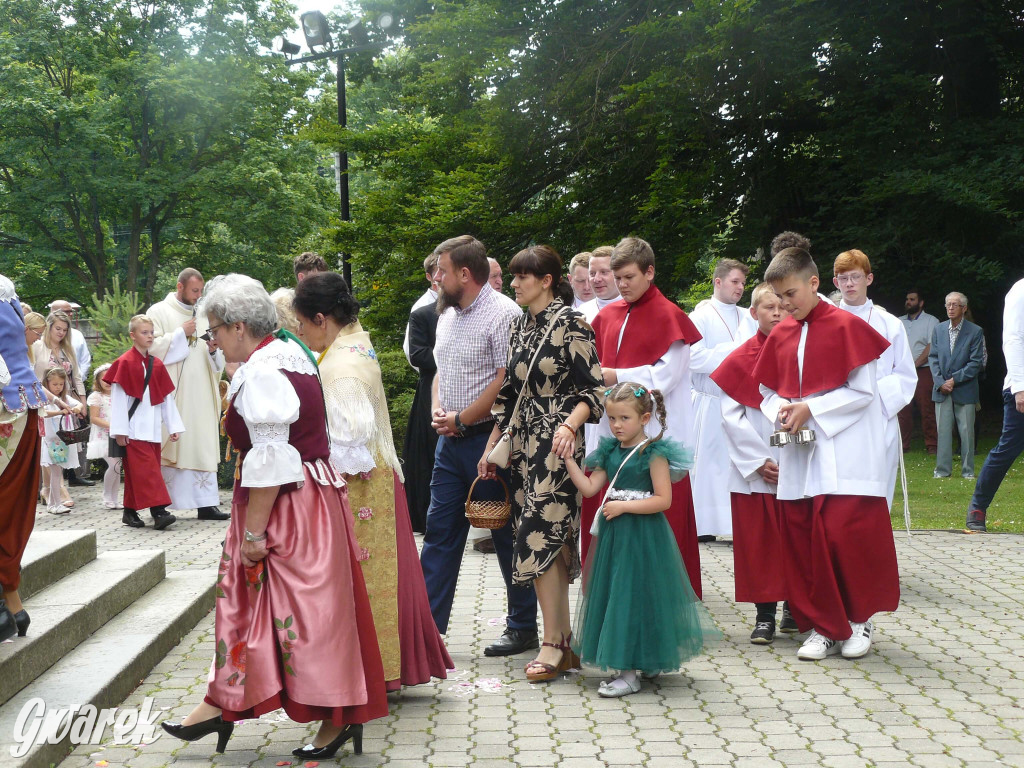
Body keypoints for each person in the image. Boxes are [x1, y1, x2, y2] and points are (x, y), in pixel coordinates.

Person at [160, 274, 387, 759]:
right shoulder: (290, 351)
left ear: (239, 327)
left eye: (214, 332)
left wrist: (255, 533)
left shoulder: (264, 369)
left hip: (288, 506)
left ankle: (334, 717)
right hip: (311, 498)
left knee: (305, 617)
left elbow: (270, 459)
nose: (213, 342)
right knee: (266, 609)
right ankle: (223, 702)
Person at [293, 271, 453, 691]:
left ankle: (374, 671)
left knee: (368, 580)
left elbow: (349, 439)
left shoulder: (340, 366)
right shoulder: (355, 342)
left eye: (304, 325)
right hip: (379, 473)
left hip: (360, 480)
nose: (303, 334)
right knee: (386, 576)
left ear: (322, 318)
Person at [753, 247, 899, 661]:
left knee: (843, 536)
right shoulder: (781, 332)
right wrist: (781, 409)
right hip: (801, 456)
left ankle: (857, 620)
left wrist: (810, 408)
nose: (784, 304)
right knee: (803, 539)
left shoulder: (847, 327)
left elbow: (863, 391)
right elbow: (765, 390)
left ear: (815, 283)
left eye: (791, 294)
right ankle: (823, 626)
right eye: (778, 297)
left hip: (846, 452)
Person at [477, 245, 603, 682]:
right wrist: (494, 444)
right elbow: (508, 397)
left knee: (540, 535)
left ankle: (553, 644)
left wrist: (569, 426)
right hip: (525, 443)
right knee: (541, 535)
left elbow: (594, 391)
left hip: (560, 446)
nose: (513, 284)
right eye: (512, 276)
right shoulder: (518, 326)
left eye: (521, 277)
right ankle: (563, 641)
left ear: (546, 280)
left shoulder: (573, 323)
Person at [417, 235, 539, 656]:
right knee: (439, 533)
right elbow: (440, 369)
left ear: (464, 275)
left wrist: (464, 420)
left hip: (490, 441)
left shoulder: (503, 314)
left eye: (442, 271)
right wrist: (439, 410)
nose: (436, 277)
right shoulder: (447, 314)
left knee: (504, 531)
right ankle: (426, 632)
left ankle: (523, 626)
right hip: (449, 443)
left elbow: (508, 382)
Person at [564, 383, 714, 697]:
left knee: (639, 595)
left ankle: (633, 671)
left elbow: (663, 500)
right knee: (617, 594)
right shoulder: (608, 451)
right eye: (612, 419)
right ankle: (632, 665)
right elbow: (591, 489)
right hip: (615, 537)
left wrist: (623, 506)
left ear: (645, 418)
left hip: (645, 536)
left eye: (624, 418)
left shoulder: (653, 453)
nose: (617, 425)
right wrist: (569, 462)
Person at [586, 237, 704, 598]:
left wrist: (614, 375)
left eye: (628, 277)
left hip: (654, 430)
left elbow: (664, 378)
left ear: (649, 272)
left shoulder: (670, 316)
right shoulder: (606, 316)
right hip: (612, 428)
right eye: (617, 277)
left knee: (660, 511)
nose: (621, 285)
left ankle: (667, 595)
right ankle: (610, 591)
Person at [711, 283, 792, 644]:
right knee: (760, 545)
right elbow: (731, 416)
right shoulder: (741, 358)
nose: (776, 313)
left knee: (795, 540)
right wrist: (760, 461)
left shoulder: (801, 351)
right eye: (768, 307)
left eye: (781, 306)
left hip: (797, 462)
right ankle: (764, 616)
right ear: (753, 312)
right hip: (755, 471)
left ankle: (796, 607)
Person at [833, 250, 916, 506]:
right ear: (835, 282)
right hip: (835, 418)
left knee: (876, 488)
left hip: (877, 416)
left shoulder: (890, 324)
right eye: (843, 278)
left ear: (869, 279)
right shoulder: (825, 323)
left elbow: (905, 376)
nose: (849, 284)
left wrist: (868, 396)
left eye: (855, 277)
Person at [147, 268, 228, 521]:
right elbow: (150, 349)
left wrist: (215, 350)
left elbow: (216, 356)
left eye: (200, 292)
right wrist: (180, 333)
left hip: (202, 391)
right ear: (180, 286)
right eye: (194, 291)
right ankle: (160, 503)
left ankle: (206, 504)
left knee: (201, 442)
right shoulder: (158, 312)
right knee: (172, 443)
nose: (198, 296)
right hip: (174, 393)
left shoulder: (204, 315)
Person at [687, 258, 757, 540]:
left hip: (741, 401)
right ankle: (705, 526)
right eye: (734, 282)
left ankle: (734, 526)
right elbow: (693, 357)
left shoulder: (749, 315)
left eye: (743, 283)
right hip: (710, 400)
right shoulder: (700, 316)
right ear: (718, 282)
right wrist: (734, 352)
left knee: (736, 464)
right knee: (708, 466)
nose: (740, 287)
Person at [0, 276, 48, 641]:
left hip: (7, 412)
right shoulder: (6, 289)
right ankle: (12, 603)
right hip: (22, 405)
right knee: (10, 510)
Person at [106, 315, 185, 530]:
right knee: (149, 472)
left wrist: (173, 426)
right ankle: (159, 511)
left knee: (138, 472)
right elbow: (119, 401)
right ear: (133, 335)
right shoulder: (124, 363)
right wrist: (120, 430)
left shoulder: (156, 364)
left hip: (152, 429)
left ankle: (129, 513)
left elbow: (165, 398)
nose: (150, 336)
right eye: (144, 332)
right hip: (133, 430)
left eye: (151, 332)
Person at [965, 278, 1024, 532]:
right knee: (1007, 450)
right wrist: (1020, 387)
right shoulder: (1020, 290)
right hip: (1021, 387)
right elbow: (1012, 339)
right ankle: (977, 508)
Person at [928, 292, 985, 479]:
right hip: (942, 389)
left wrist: (954, 380)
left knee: (967, 432)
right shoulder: (938, 329)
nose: (950, 308)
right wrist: (940, 382)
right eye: (948, 305)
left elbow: (976, 362)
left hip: (965, 388)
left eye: (954, 305)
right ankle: (942, 471)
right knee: (942, 431)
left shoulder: (975, 331)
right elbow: (933, 358)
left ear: (964, 308)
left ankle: (968, 471)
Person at [403, 301, 440, 534]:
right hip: (431, 395)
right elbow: (417, 354)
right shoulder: (422, 314)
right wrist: (451, 356)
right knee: (430, 456)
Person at [897, 289, 940, 454]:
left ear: (921, 303)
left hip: (923, 370)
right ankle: (903, 446)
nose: (908, 302)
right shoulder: (898, 321)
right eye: (907, 299)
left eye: (912, 299)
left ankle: (932, 445)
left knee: (927, 408)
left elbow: (931, 346)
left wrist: (914, 364)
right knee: (902, 409)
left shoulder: (931, 321)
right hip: (902, 372)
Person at [39, 367, 86, 514]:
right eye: (55, 384)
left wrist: (77, 408)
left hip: (62, 441)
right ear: (47, 384)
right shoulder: (44, 399)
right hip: (50, 441)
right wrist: (61, 411)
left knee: (57, 472)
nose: (58, 387)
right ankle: (55, 504)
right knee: (55, 471)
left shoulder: (65, 399)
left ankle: (53, 504)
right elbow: (43, 413)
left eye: (61, 384)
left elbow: (79, 404)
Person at [87, 363, 121, 509]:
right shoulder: (96, 397)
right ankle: (107, 496)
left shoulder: (119, 394)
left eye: (110, 378)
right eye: (104, 379)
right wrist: (112, 426)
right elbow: (94, 418)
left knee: (118, 467)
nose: (108, 382)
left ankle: (115, 498)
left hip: (118, 436)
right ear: (98, 381)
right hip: (103, 437)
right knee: (114, 465)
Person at [403, 253, 440, 368]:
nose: (441, 276)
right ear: (429, 277)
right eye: (438, 272)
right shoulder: (420, 308)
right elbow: (411, 351)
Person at [578, 246, 620, 325]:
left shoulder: (635, 310)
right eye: (592, 273)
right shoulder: (580, 313)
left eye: (604, 272)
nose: (596, 279)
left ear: (618, 273)